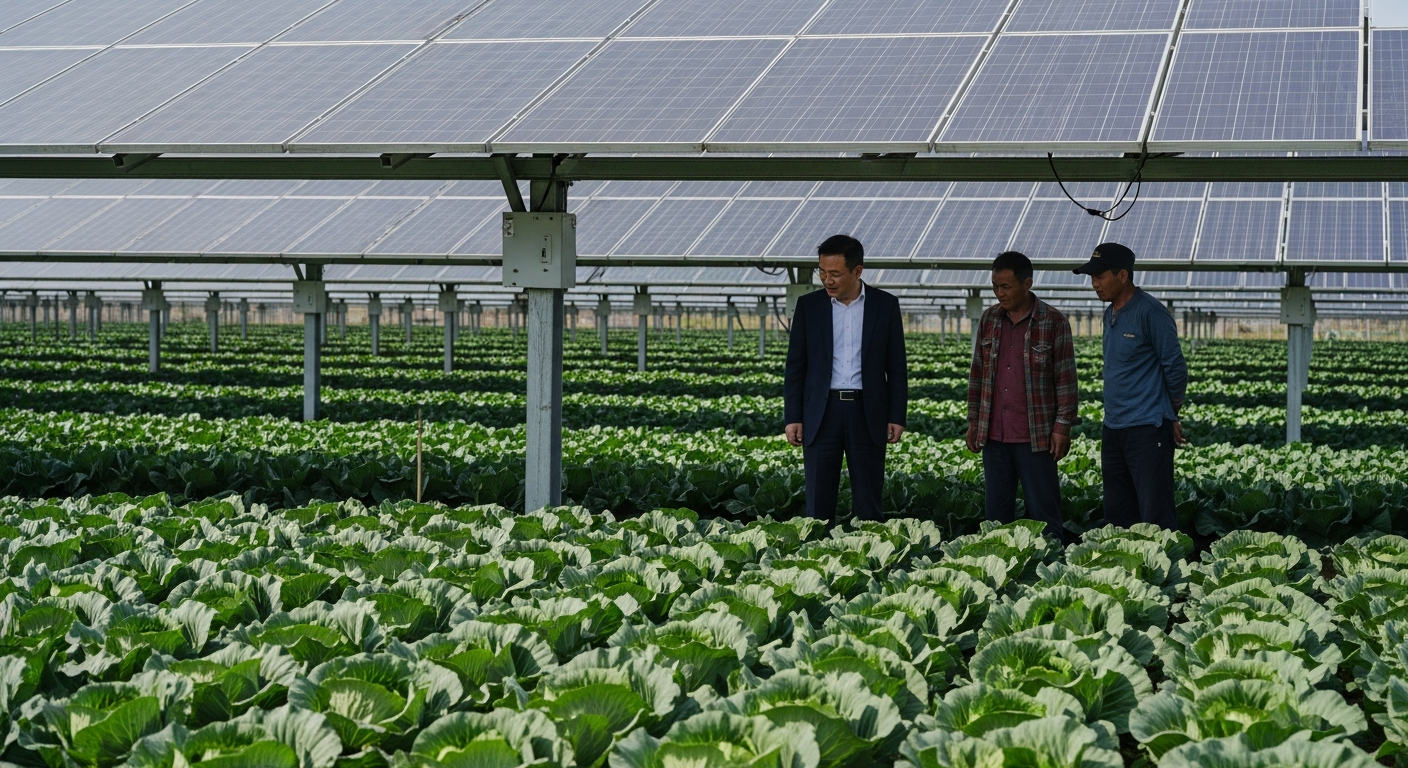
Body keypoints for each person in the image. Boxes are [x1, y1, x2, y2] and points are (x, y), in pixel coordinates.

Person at [784, 234, 908, 526]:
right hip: (821, 413)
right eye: (823, 272)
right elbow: (795, 367)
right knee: (817, 503)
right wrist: (793, 417)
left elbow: (897, 367)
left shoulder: (885, 305)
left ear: (858, 271)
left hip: (867, 412)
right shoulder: (808, 306)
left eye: (836, 274)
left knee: (869, 502)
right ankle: (817, 556)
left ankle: (871, 559)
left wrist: (897, 415)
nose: (828, 280)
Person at [1073, 242, 1188, 530]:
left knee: (1155, 512)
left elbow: (1175, 367)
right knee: (1118, 510)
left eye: (1100, 276)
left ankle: (1162, 568)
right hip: (1113, 428)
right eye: (1092, 278)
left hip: (1147, 429)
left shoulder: (1151, 312)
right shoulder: (1109, 313)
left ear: (1123, 275)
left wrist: (1167, 411)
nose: (1094, 284)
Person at [965, 251, 1078, 542]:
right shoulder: (989, 319)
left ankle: (1051, 567)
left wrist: (1062, 427)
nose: (999, 293)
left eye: (1006, 287)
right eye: (995, 286)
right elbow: (977, 375)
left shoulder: (1052, 321)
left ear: (1027, 283)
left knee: (1044, 513)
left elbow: (1065, 380)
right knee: (996, 514)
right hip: (995, 435)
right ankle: (999, 573)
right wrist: (974, 422)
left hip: (1036, 436)